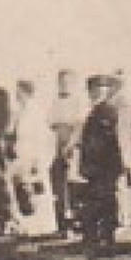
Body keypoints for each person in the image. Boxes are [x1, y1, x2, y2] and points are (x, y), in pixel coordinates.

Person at [78, 73, 126, 247]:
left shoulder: (107, 110)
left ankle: (106, 235)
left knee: (105, 199)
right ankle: (96, 235)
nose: (97, 93)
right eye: (93, 90)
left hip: (105, 163)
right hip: (97, 164)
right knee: (96, 199)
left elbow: (104, 141)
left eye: (101, 89)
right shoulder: (94, 111)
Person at [9, 78, 60, 237]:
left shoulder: (35, 111)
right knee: (24, 190)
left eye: (19, 92)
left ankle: (43, 225)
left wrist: (38, 159)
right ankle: (27, 224)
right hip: (22, 153)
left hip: (34, 154)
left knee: (37, 189)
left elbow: (41, 137)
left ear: (26, 92)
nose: (17, 95)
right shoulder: (19, 112)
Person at [46, 68, 87, 237]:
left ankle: (76, 223)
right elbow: (50, 123)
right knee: (58, 185)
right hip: (56, 143)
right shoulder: (55, 102)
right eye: (61, 82)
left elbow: (79, 126)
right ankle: (62, 223)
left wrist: (70, 145)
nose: (64, 85)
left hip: (72, 144)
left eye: (67, 82)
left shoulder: (78, 102)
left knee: (73, 184)